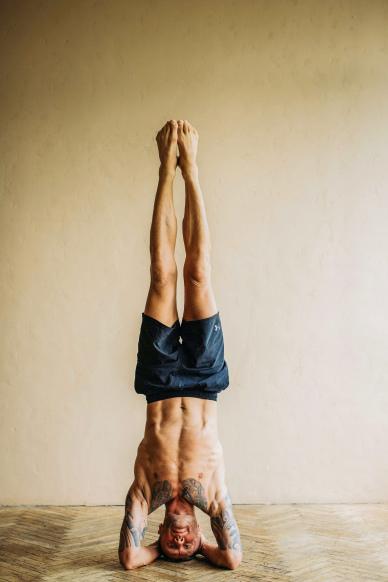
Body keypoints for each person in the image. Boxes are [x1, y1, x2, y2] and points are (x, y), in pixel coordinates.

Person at [118, 120, 242, 570]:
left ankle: (164, 174)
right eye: (188, 544)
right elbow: (232, 558)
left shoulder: (147, 494)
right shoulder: (212, 497)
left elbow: (131, 558)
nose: (181, 542)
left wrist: (160, 555)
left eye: (173, 545)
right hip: (206, 381)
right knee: (197, 275)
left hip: (159, 382)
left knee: (161, 274)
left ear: (162, 535)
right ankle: (191, 171)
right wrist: (201, 554)